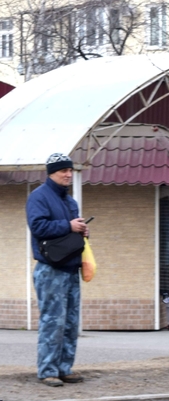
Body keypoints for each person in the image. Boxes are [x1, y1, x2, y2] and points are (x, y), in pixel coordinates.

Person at [27, 153, 89, 387]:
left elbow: (69, 231)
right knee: (53, 321)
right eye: (63, 171)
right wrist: (68, 225)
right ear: (51, 173)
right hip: (50, 270)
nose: (68, 174)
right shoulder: (39, 197)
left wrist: (81, 230)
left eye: (70, 170)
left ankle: (64, 368)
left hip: (70, 268)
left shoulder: (70, 201)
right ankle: (48, 370)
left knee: (70, 322)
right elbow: (37, 226)